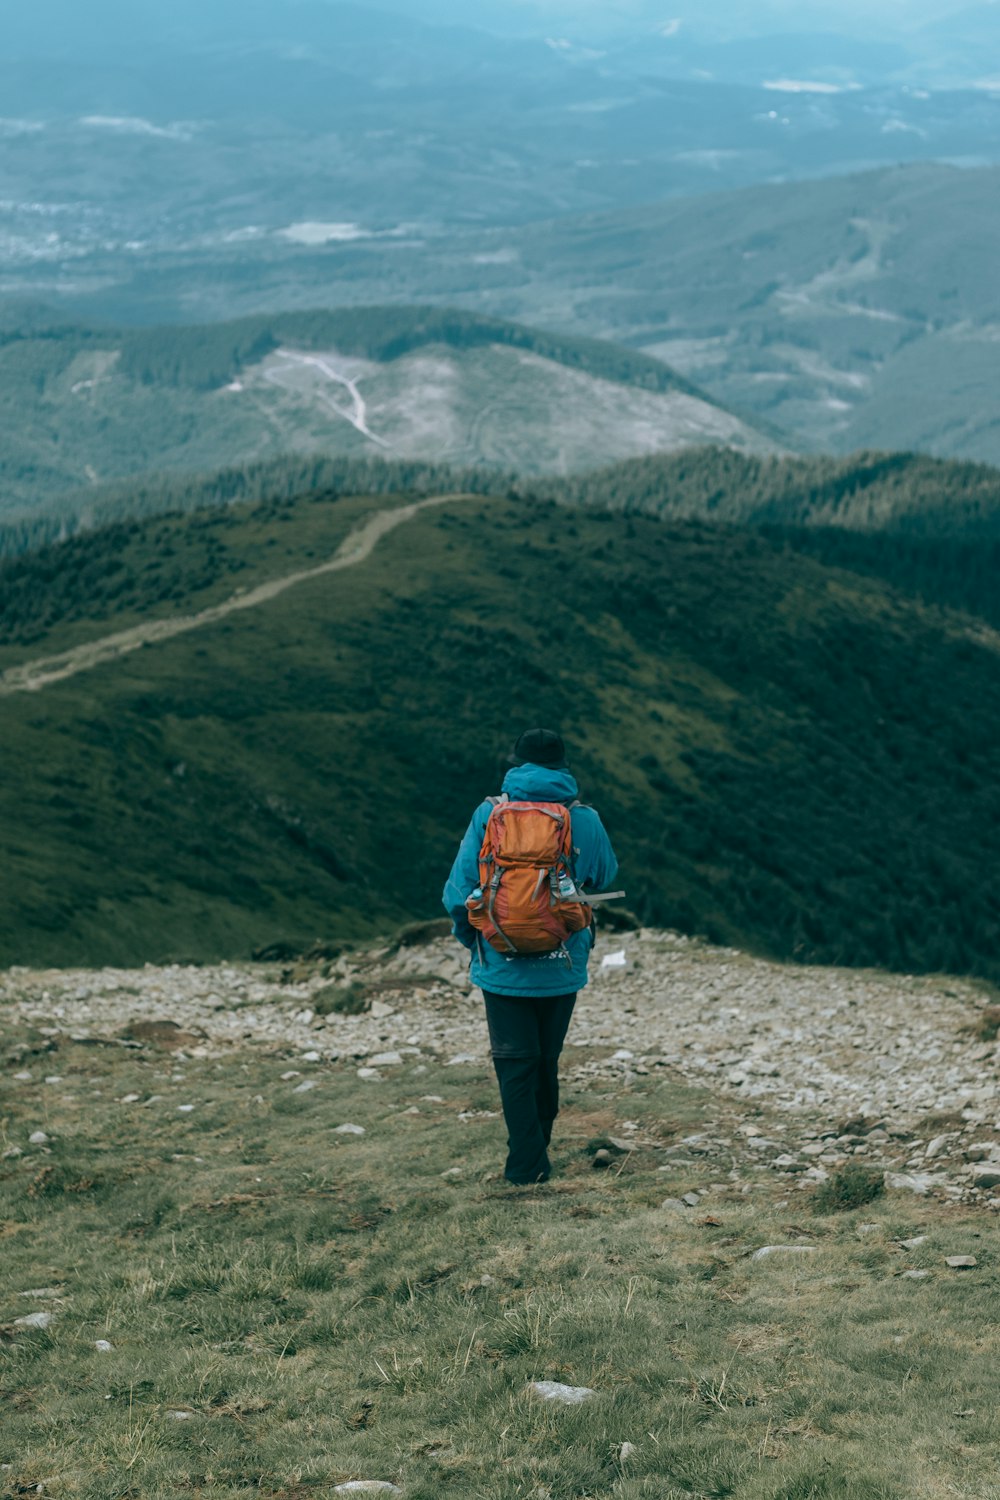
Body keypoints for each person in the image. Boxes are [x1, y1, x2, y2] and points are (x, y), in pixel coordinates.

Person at [442, 728, 619, 1185]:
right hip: (561, 964)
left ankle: (526, 1164)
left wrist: (479, 940)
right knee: (545, 1059)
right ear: (563, 766)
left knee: (514, 1062)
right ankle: (535, 1150)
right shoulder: (584, 819)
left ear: (516, 763)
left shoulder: (489, 814)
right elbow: (603, 875)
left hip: (500, 962)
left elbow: (457, 893)